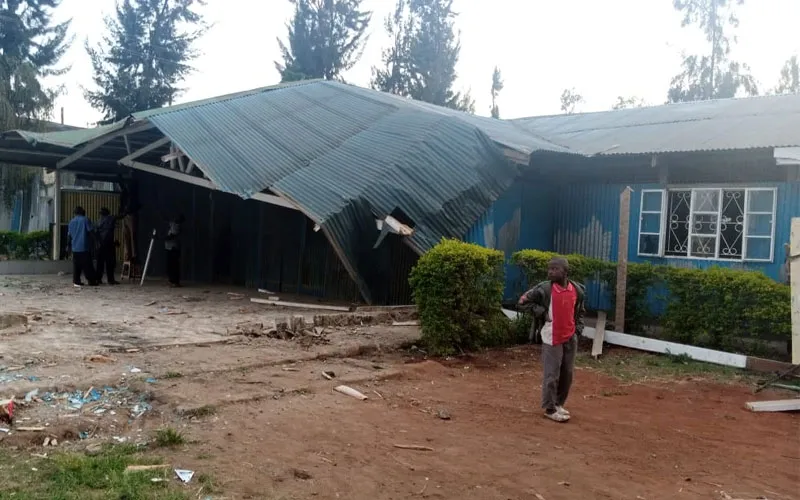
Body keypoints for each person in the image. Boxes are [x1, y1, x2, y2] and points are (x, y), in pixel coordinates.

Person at [518, 257, 585, 423]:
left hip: (570, 336)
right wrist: (541, 311)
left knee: (567, 374)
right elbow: (522, 302)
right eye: (549, 269)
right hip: (551, 337)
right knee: (551, 375)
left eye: (555, 269)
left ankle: (558, 404)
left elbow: (581, 311)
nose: (550, 272)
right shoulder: (543, 289)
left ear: (565, 272)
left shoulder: (577, 290)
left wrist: (578, 328)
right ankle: (549, 408)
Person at [67, 206, 97, 287]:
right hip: (84, 246)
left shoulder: (71, 221)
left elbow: (69, 236)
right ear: (82, 211)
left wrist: (68, 246)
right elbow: (91, 231)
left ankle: (76, 281)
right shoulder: (85, 219)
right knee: (88, 265)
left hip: (75, 247)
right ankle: (91, 280)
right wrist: (97, 241)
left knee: (77, 266)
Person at [95, 207, 122, 285]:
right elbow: (120, 216)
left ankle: (98, 279)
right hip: (109, 244)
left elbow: (96, 233)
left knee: (100, 263)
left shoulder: (98, 221)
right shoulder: (110, 218)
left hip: (100, 244)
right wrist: (127, 211)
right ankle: (110, 280)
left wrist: (98, 243)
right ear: (108, 213)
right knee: (110, 263)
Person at [164, 214, 185, 287]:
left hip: (173, 248)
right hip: (169, 248)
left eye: (178, 218)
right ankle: (171, 281)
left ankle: (175, 282)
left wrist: (161, 238)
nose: (176, 218)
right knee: (170, 265)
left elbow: (171, 236)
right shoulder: (173, 223)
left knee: (174, 266)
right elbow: (168, 221)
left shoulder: (177, 227)